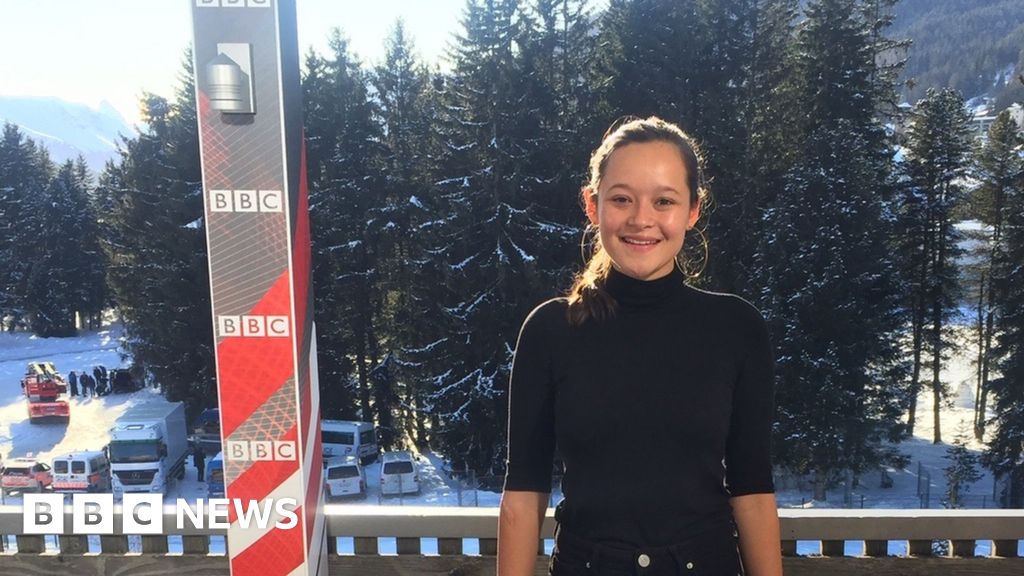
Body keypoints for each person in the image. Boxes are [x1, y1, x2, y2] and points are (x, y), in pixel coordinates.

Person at [498, 117, 782, 576]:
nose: (641, 219)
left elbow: (752, 492)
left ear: (693, 210)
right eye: (621, 199)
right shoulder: (550, 331)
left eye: (664, 201)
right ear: (593, 206)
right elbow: (523, 499)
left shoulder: (736, 328)